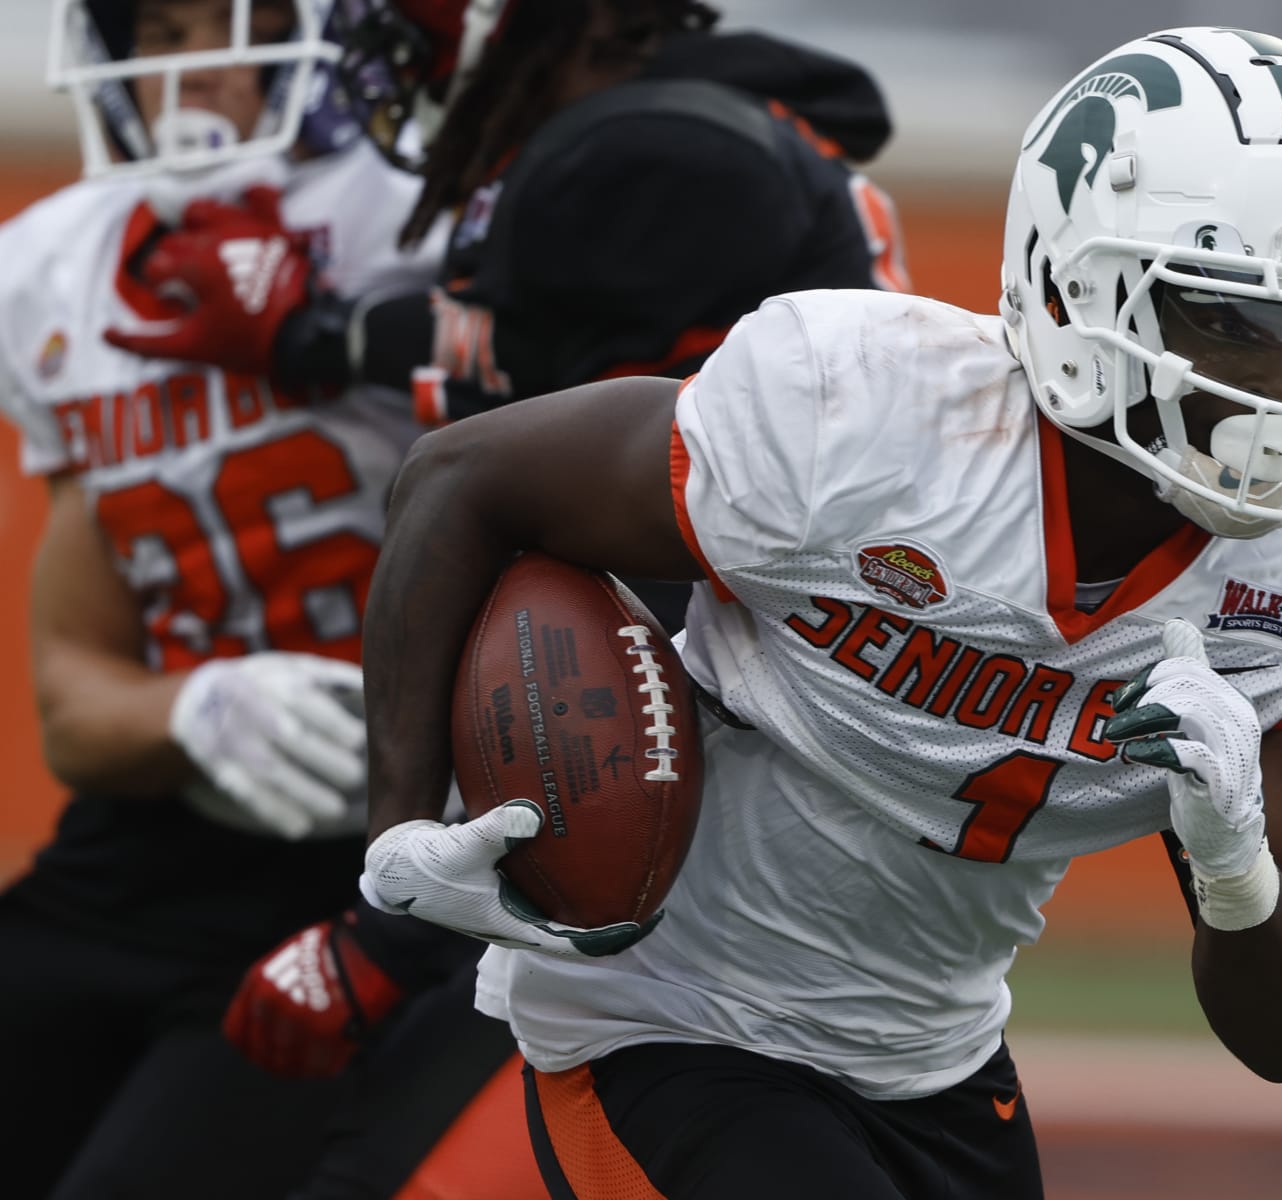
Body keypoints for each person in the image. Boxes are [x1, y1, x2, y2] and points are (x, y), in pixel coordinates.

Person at [356, 25, 1282, 1199]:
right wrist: (396, 821)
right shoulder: (865, 420)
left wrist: (1234, 860)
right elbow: (463, 479)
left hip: (934, 1056)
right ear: (1069, 285)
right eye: (1228, 319)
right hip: (668, 1018)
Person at [71, 1, 909, 1193]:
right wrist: (317, 338)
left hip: (719, 813)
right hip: (772, 760)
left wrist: (386, 933)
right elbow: (539, 355)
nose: (386, 54)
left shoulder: (638, 156)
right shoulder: (678, 127)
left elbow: (629, 595)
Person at [0, 1, 544, 1195]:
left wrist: (342, 335)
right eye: (156, 28)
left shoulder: (426, 212)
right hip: (148, 847)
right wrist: (193, 711)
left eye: (231, 20)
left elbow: (587, 382)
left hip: (379, 854)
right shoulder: (55, 265)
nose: (194, 66)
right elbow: (73, 703)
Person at [109, 0, 910, 634]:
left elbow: (529, 377)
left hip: (777, 605)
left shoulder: (641, 145)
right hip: (788, 570)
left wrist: (311, 331)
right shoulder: (662, 117)